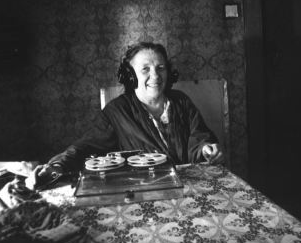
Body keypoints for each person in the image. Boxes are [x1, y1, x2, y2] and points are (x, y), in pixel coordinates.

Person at [26, 42, 224, 188]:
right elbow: (85, 147)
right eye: (145, 69)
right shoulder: (116, 111)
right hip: (146, 191)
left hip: (189, 187)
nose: (155, 76)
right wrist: (57, 166)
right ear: (130, 76)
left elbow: (199, 137)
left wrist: (207, 149)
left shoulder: (181, 101)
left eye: (161, 68)